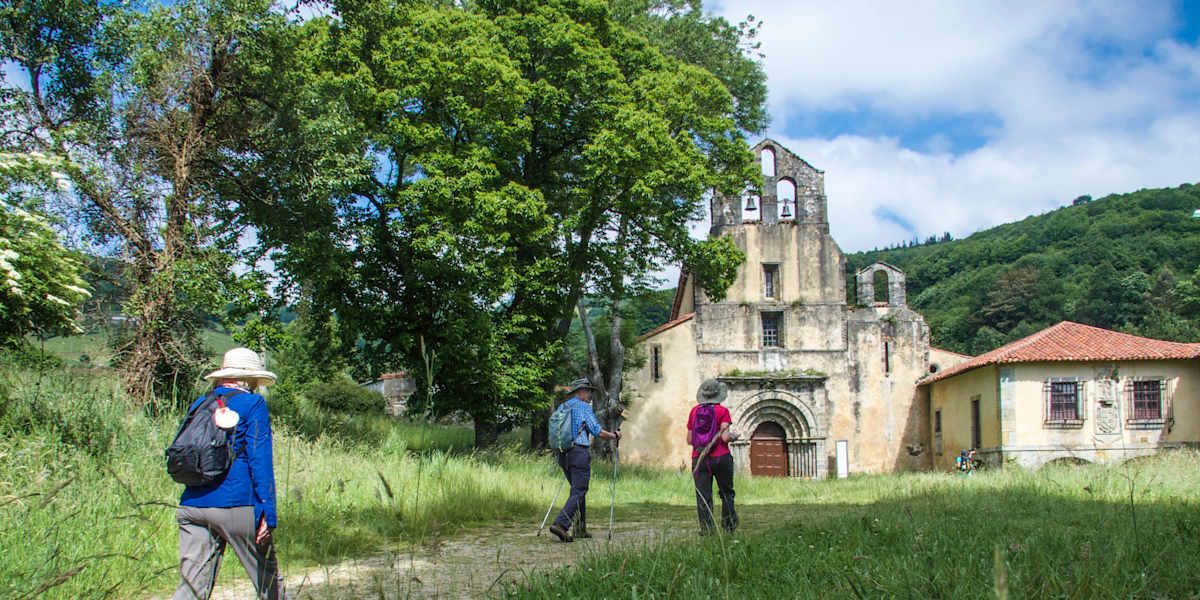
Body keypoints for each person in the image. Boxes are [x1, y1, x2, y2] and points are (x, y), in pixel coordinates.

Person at [173, 347, 286, 600]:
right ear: (249, 378)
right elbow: (260, 461)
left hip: (192, 507)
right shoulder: (253, 403)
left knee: (190, 589)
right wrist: (268, 512)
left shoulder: (200, 404)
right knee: (269, 586)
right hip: (238, 506)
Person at [548, 377, 621, 543]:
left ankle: (580, 529)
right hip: (579, 452)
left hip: (562, 453)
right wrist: (614, 435)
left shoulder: (563, 406)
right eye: (588, 391)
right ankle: (560, 525)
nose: (590, 394)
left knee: (577, 490)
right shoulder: (583, 407)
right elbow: (597, 431)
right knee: (579, 490)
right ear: (579, 392)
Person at [688, 379, 738, 535]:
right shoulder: (722, 411)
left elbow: (689, 440)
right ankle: (729, 527)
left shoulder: (694, 411)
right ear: (718, 394)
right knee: (726, 493)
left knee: (703, 496)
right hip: (721, 457)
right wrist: (734, 436)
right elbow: (724, 438)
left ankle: (707, 530)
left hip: (699, 458)